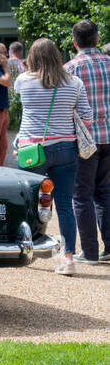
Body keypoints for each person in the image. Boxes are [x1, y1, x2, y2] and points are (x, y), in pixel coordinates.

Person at [14, 38, 93, 275]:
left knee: (28, 201)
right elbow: (87, 118)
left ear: (33, 57)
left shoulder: (23, 81)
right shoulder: (74, 82)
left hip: (32, 150)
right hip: (66, 148)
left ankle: (26, 250)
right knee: (65, 205)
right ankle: (68, 259)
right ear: (57, 56)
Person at [66, 20, 110, 264]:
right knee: (105, 193)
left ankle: (90, 253)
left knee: (82, 196)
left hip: (84, 141)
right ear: (97, 39)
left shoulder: (70, 69)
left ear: (75, 42)